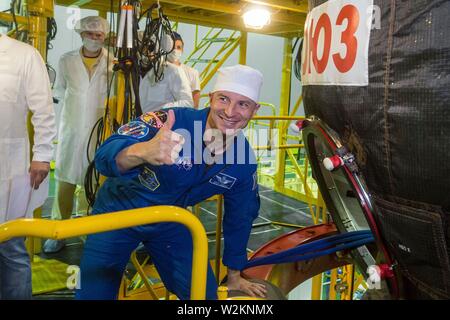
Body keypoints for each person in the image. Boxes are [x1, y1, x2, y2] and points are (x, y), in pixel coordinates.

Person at [76, 64, 267, 300]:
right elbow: (105, 156)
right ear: (211, 98)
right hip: (118, 212)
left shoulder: (243, 162)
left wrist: (235, 274)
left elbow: (241, 216)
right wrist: (142, 151)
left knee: (204, 296)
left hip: (170, 218)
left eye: (243, 104)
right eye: (224, 99)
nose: (230, 111)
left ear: (255, 110)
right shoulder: (170, 120)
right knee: (93, 295)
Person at [43, 16, 112, 253]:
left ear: (105, 37)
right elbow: (60, 91)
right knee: (65, 180)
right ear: (81, 34)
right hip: (71, 129)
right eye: (89, 35)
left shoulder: (113, 63)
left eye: (98, 36)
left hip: (98, 131)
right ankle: (60, 230)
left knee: (91, 183)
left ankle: (86, 230)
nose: (94, 39)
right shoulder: (66, 60)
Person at [0, 34, 56, 299]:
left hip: (8, 170)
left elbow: (44, 109)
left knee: (11, 248)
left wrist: (43, 155)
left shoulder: (24, 55)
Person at [139, 34, 194, 113]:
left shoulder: (173, 70)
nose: (146, 51)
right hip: (141, 122)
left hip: (164, 122)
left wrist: (161, 110)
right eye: (143, 48)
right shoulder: (134, 71)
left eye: (150, 47)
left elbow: (188, 104)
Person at [167, 32, 201, 109]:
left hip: (184, 117)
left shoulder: (192, 72)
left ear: (182, 49)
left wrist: (193, 121)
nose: (175, 50)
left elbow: (195, 105)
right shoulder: (157, 73)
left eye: (178, 47)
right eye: (172, 47)